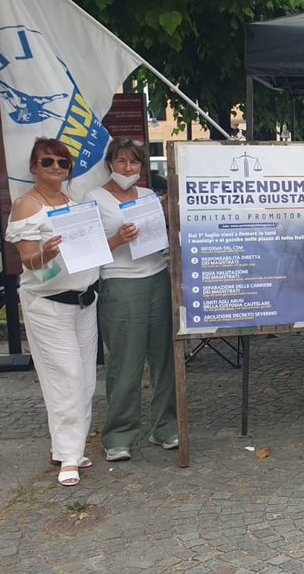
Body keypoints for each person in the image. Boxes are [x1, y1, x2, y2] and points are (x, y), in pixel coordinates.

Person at [6, 138, 101, 486]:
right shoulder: (26, 206)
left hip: (84, 300)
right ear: (34, 166)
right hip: (48, 305)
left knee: (86, 380)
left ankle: (68, 449)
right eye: (48, 162)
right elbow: (29, 263)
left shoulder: (73, 201)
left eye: (63, 163)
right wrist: (46, 253)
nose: (57, 168)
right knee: (66, 378)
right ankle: (68, 457)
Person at [85, 139, 177, 462]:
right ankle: (118, 435)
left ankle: (165, 426)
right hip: (120, 282)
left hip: (157, 276)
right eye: (122, 162)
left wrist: (165, 217)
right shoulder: (94, 199)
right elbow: (87, 249)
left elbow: (162, 235)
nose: (128, 169)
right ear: (110, 163)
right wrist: (117, 239)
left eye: (134, 163)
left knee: (164, 357)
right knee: (125, 361)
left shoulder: (149, 196)